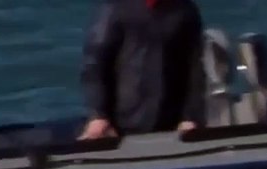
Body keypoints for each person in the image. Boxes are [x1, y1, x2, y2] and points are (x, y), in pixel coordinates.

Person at [78, 0, 206, 140]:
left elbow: (195, 69)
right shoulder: (114, 7)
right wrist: (99, 115)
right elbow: (95, 64)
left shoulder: (185, 9)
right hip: (122, 124)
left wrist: (190, 117)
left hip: (172, 124)